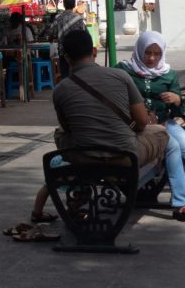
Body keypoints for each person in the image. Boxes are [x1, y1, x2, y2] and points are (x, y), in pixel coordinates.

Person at [51, 29, 180, 216]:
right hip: (125, 155)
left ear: (67, 59)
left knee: (59, 133)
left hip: (83, 155)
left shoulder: (60, 89)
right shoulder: (120, 76)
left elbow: (67, 128)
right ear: (94, 51)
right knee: (162, 133)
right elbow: (142, 122)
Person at [115, 31, 185, 219]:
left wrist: (177, 100)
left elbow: (179, 112)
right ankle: (181, 203)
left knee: (183, 144)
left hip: (165, 122)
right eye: (147, 53)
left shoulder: (168, 75)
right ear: (139, 50)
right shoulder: (124, 70)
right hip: (136, 126)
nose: (152, 58)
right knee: (173, 147)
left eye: (157, 53)